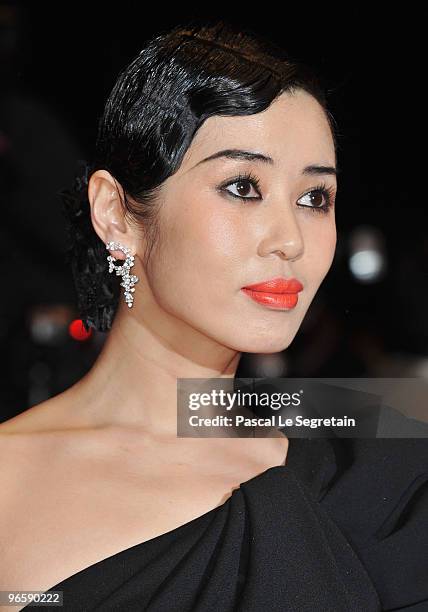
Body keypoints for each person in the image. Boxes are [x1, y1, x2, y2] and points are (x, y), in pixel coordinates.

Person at [0, 19, 427, 612]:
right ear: (116, 214)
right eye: (243, 186)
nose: (290, 241)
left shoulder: (375, 451)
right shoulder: (10, 481)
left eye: (314, 198)